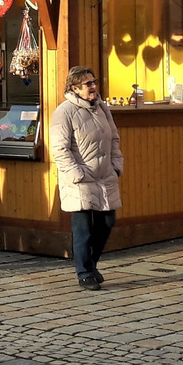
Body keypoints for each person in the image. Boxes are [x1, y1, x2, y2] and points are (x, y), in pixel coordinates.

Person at [48, 65, 122, 291]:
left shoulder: (102, 108)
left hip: (104, 175)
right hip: (80, 178)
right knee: (83, 227)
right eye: (88, 83)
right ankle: (84, 273)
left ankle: (90, 264)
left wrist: (116, 165)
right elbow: (60, 149)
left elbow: (115, 139)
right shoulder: (64, 111)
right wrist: (76, 173)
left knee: (107, 221)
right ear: (75, 88)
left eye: (94, 81)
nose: (93, 86)